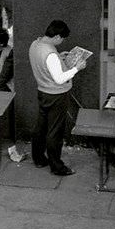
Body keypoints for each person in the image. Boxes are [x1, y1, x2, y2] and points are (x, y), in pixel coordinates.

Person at [29, 20, 87, 176]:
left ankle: (39, 158)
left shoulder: (35, 44)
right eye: (62, 39)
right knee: (55, 131)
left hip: (42, 91)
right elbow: (60, 78)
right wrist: (76, 68)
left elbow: (44, 64)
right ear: (57, 36)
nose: (61, 42)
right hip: (56, 95)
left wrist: (59, 57)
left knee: (40, 128)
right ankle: (57, 167)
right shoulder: (50, 54)